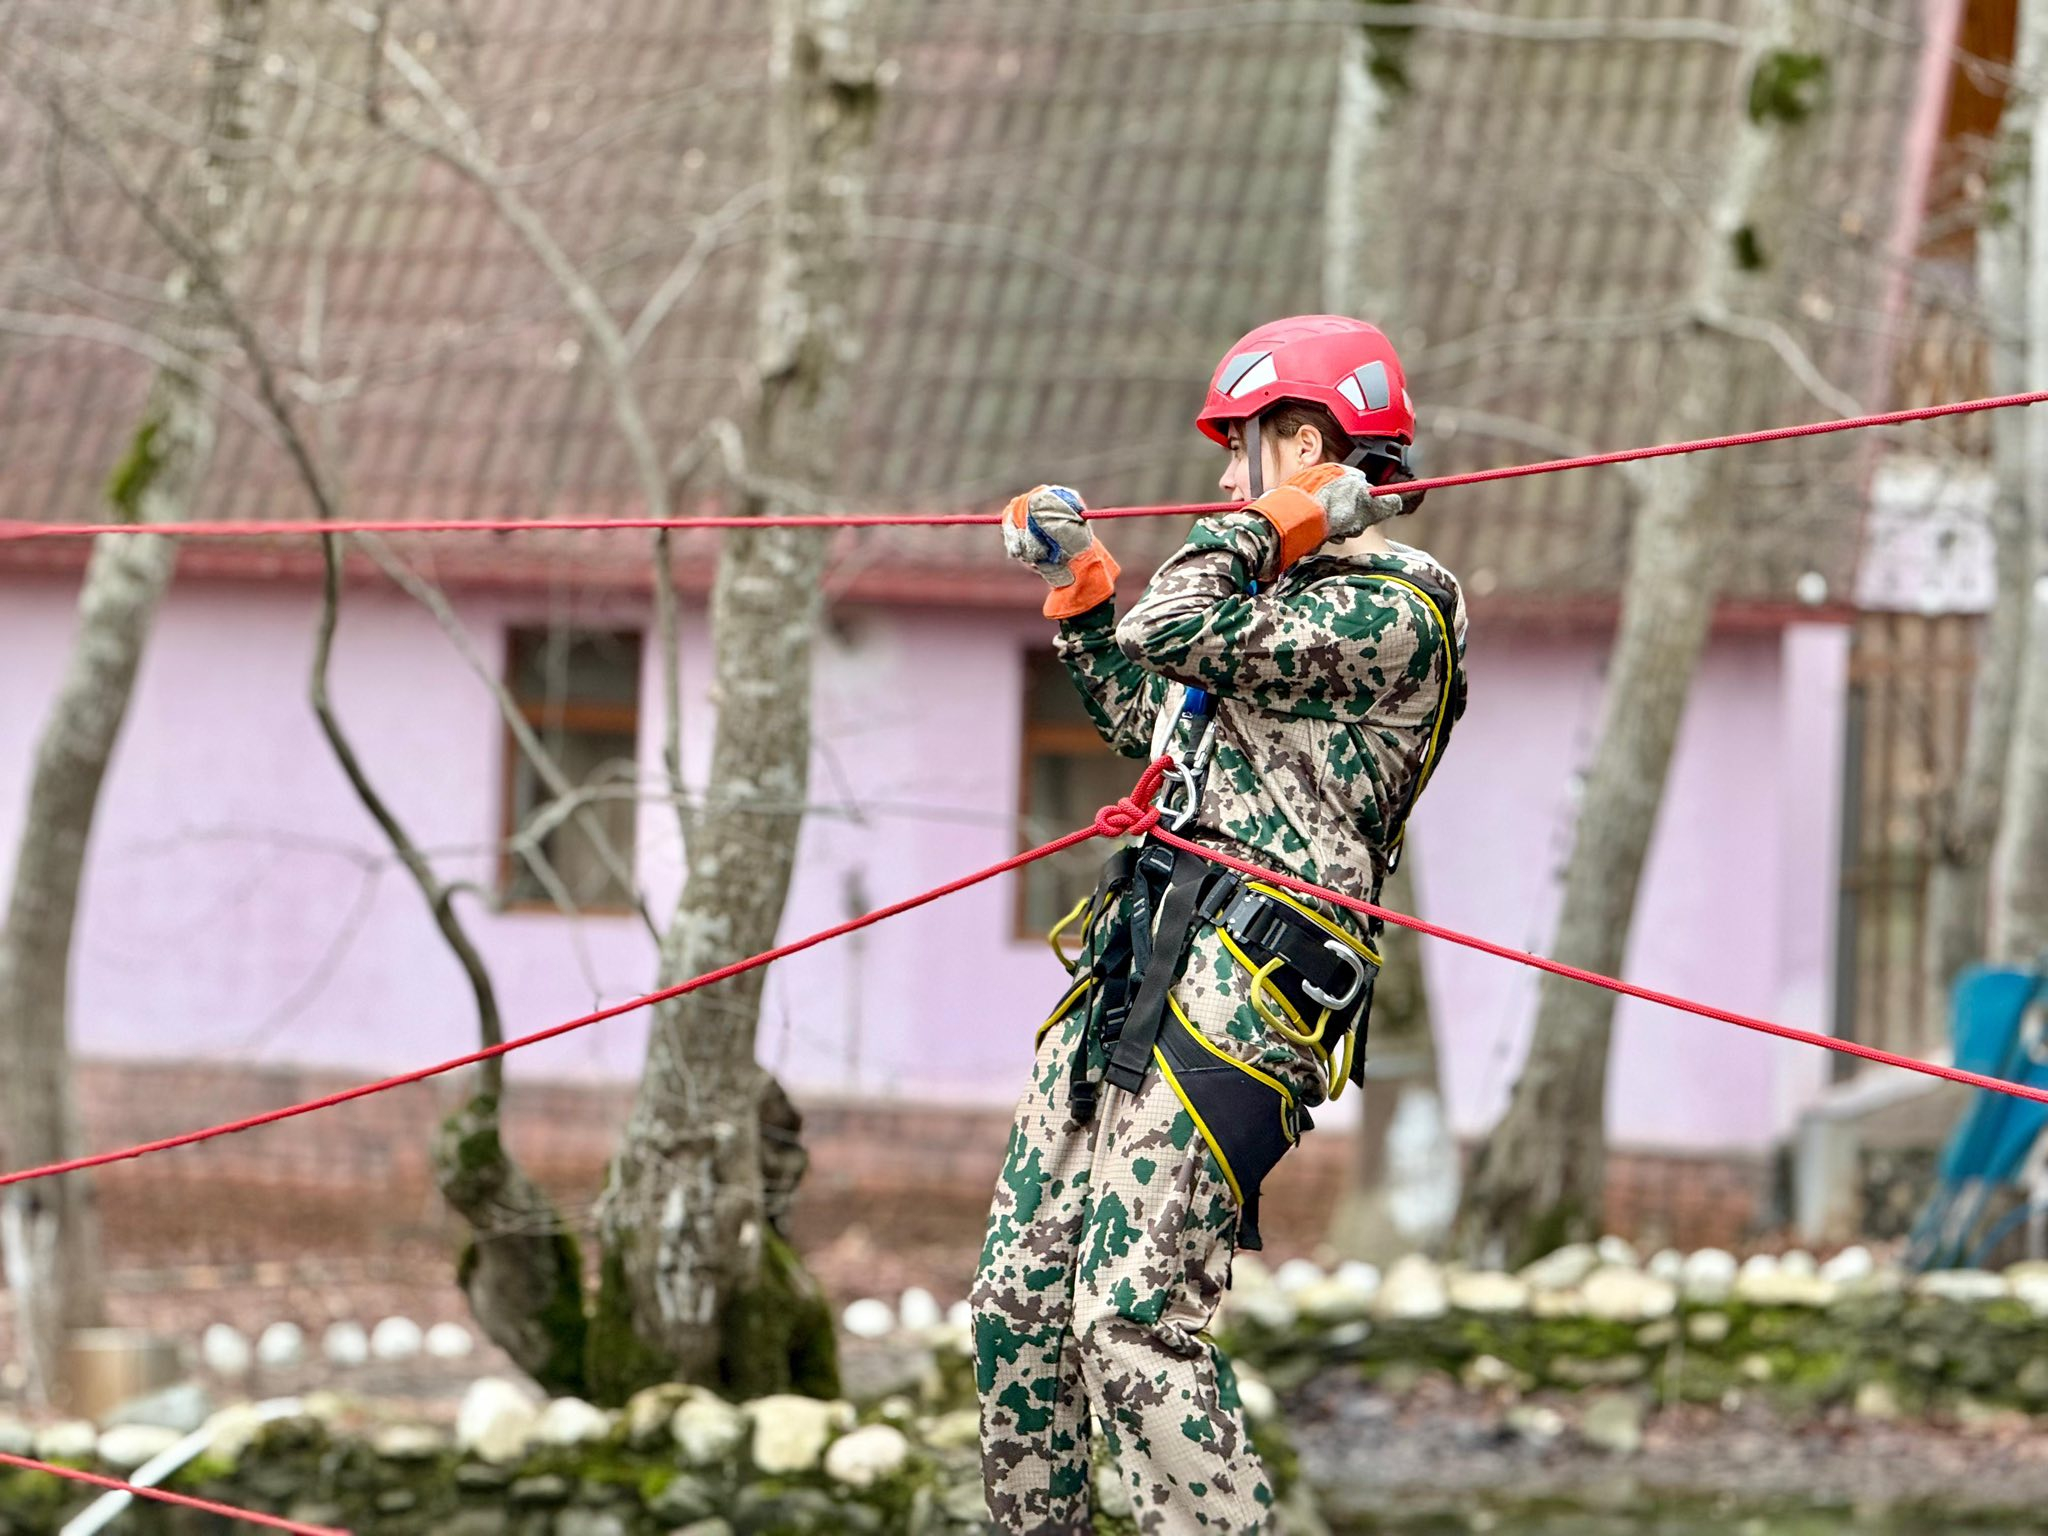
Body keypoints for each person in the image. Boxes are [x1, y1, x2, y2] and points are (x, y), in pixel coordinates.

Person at [969, 316, 1469, 1535]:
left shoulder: (1397, 611)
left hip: (1251, 987)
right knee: (1017, 1301)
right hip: (1143, 955)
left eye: (1233, 451)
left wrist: (1273, 520)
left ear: (1299, 445)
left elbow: (1178, 623)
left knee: (1132, 1313)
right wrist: (1081, 587)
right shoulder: (1280, 594)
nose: (1213, 482)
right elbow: (1161, 710)